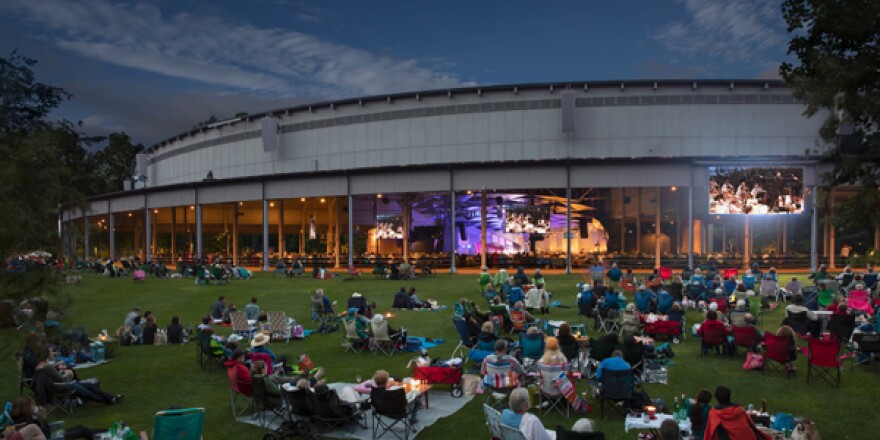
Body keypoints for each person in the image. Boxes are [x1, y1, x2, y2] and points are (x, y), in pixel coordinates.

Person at [33, 348, 123, 405]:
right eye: (51, 353)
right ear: (47, 355)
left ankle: (111, 397)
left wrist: (59, 369)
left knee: (90, 386)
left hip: (59, 385)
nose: (53, 354)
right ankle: (109, 399)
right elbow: (60, 378)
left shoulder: (41, 365)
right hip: (60, 387)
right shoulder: (47, 366)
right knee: (87, 392)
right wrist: (66, 373)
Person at [704, 386, 770, 440]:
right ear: (729, 396)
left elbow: (709, 433)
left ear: (717, 399)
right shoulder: (740, 409)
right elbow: (752, 425)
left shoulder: (714, 413)